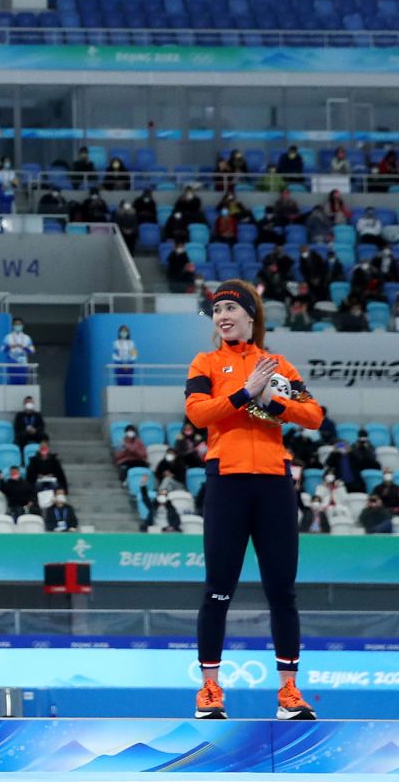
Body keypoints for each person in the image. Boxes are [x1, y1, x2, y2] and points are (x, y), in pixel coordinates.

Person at [185, 278, 320, 722]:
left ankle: (289, 693)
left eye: (230, 308)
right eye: (217, 310)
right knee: (218, 590)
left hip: (275, 485)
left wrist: (272, 400)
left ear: (250, 316)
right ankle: (209, 690)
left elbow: (314, 415)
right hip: (226, 482)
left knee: (282, 593)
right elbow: (198, 412)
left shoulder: (277, 364)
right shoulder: (205, 362)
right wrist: (245, 394)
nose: (222, 316)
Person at [2, 320, 35, 385]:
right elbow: (2, 349)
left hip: (22, 360)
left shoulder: (27, 337)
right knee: (12, 380)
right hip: (12, 359)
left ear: (22, 326)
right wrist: (10, 346)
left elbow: (32, 350)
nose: (18, 326)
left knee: (22, 380)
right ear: (13, 326)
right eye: (16, 324)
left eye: (19, 324)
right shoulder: (8, 337)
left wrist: (24, 347)